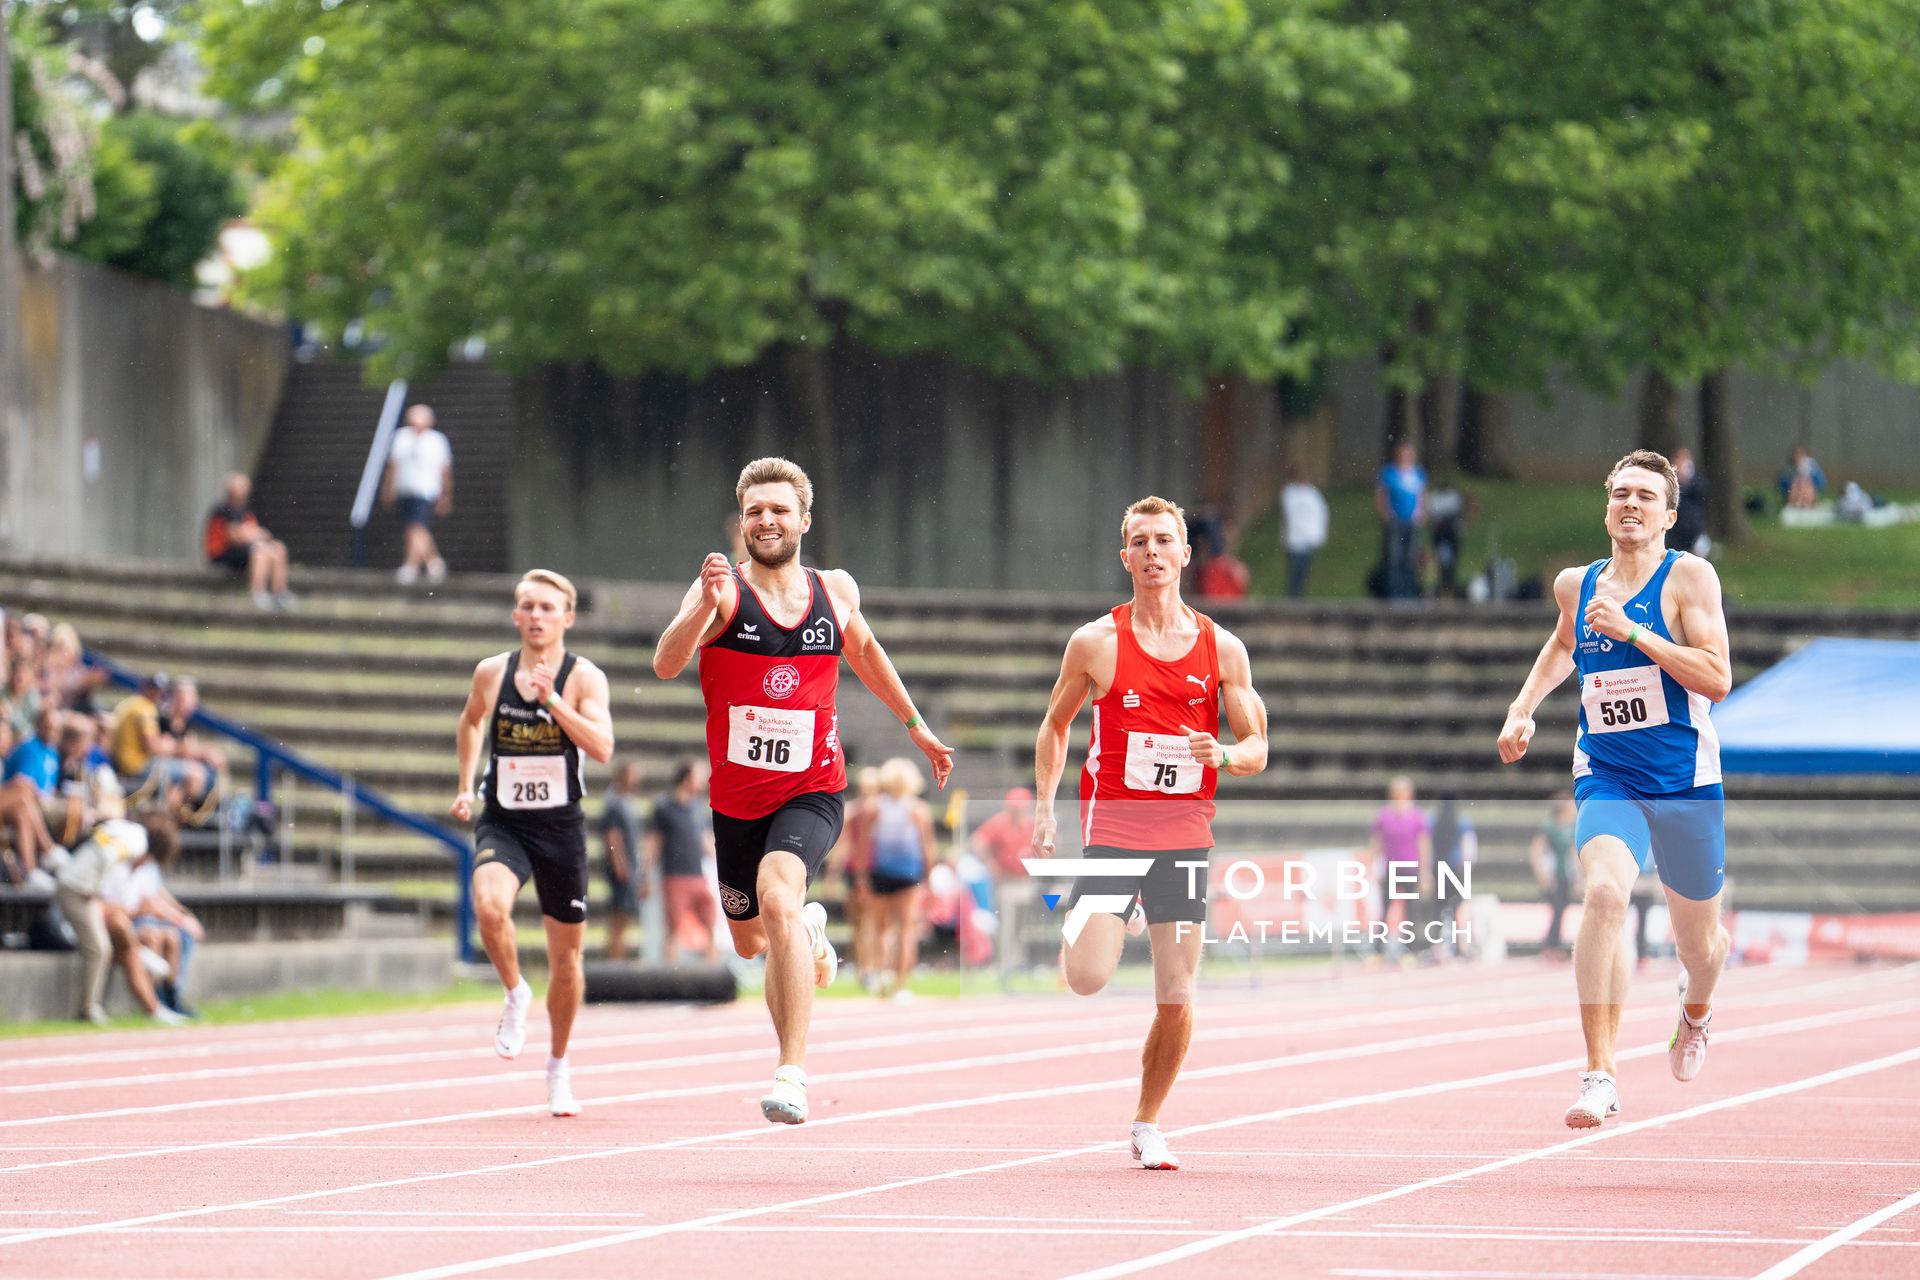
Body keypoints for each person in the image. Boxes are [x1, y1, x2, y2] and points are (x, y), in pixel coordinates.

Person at [651, 456, 954, 1125]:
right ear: (741, 523)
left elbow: (868, 655)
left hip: (813, 790)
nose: (768, 521)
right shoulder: (722, 590)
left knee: (779, 895)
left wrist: (918, 729)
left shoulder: (835, 591)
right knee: (754, 941)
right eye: (756, 511)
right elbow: (667, 663)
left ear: (803, 520)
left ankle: (792, 1073)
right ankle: (812, 941)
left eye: (780, 510)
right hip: (737, 802)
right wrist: (700, 605)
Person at [1032, 495, 1270, 1171]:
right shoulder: (1096, 644)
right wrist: (1047, 808)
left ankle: (1148, 1120)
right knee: (1085, 977)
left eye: (1165, 540)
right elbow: (1055, 726)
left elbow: (1257, 747)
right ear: (1125, 557)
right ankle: (1109, 905)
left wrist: (1221, 755)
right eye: (1140, 542)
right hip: (1115, 823)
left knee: (1177, 993)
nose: (1153, 552)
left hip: (1185, 831)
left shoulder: (1223, 649)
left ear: (1187, 554)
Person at [1498, 449, 1732, 1129]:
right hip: (1608, 772)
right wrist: (1524, 706)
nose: (1631, 505)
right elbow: (1564, 644)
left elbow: (1716, 678)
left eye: (1645, 496)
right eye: (1620, 493)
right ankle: (1600, 1072)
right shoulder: (1578, 583)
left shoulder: (1688, 578)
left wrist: (1634, 632)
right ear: (1607, 506)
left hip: (1685, 781)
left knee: (1702, 948)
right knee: (1602, 893)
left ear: (1668, 514)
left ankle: (1695, 1010)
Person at [452, 570, 615, 1117]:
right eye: (528, 606)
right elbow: (471, 723)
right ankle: (516, 990)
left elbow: (603, 746)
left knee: (567, 962)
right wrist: (463, 786)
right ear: (517, 616)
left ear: (566, 618)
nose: (537, 615)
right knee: (489, 904)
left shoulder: (584, 678)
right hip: (505, 821)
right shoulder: (491, 673)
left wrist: (554, 702)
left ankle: (558, 1066)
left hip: (561, 828)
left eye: (548, 607)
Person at [52, 811, 188, 1026]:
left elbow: (101, 833)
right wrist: (96, 887)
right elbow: (109, 855)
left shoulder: (130, 832)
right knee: (100, 948)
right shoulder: (138, 843)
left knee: (111, 945)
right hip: (78, 890)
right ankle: (89, 1008)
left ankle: (151, 1002)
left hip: (77, 886)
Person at [866, 756, 938, 1000]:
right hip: (908, 873)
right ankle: (900, 985)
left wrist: (861, 875)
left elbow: (865, 845)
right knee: (906, 931)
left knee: (880, 929)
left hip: (881, 872)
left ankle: (881, 975)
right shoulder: (918, 809)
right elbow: (928, 846)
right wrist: (930, 877)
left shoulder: (874, 807)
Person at [648, 760, 721, 965]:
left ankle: (712, 971)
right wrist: (647, 873)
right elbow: (654, 842)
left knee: (709, 921)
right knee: (673, 927)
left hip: (697, 874)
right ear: (687, 778)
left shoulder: (699, 808)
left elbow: (706, 840)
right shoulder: (665, 807)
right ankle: (671, 974)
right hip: (674, 875)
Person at [384, 404, 454, 584]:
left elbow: (445, 470)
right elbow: (393, 466)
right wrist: (389, 488)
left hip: (425, 490)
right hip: (404, 488)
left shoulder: (437, 441)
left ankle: (412, 566)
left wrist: (445, 494)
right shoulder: (400, 437)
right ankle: (433, 561)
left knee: (416, 527)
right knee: (412, 528)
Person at [204, 473, 294, 609]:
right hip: (223, 552)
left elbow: (254, 532)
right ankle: (258, 592)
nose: (243, 489)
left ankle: (279, 592)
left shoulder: (245, 510)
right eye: (240, 486)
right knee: (259, 551)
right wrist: (252, 535)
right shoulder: (222, 509)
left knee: (278, 547)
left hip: (244, 549)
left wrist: (252, 535)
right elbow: (233, 536)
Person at [1367, 776, 1431, 957]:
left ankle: (1410, 951)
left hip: (1410, 869)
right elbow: (1376, 845)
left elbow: (1423, 845)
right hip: (1390, 869)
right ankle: (1377, 951)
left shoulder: (1417, 816)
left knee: (1410, 912)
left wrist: (1424, 872)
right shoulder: (1384, 816)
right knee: (1384, 910)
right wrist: (1373, 867)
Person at [597, 760, 645, 962]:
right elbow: (613, 837)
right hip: (621, 870)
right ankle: (614, 961)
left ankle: (618, 959)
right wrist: (621, 867)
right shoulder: (614, 802)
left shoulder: (626, 800)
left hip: (630, 867)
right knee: (619, 918)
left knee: (624, 918)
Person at [1376, 439, 1428, 600]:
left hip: (1412, 520)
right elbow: (1381, 494)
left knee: (1410, 557)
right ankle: (1394, 592)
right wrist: (1385, 513)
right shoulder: (1389, 473)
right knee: (1394, 556)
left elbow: (1423, 495)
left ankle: (1409, 592)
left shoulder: (1418, 473)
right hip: (1395, 520)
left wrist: (1423, 512)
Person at [1529, 791, 1579, 952]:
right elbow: (1536, 852)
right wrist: (1543, 876)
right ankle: (1551, 944)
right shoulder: (1549, 827)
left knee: (1562, 909)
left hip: (1566, 875)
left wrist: (1578, 876)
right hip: (1553, 875)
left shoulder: (1572, 828)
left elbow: (1573, 854)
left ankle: (1554, 943)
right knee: (1557, 909)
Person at [1279, 468, 1329, 599]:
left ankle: (1299, 597)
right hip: (1295, 538)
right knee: (1295, 571)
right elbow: (1288, 516)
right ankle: (1292, 598)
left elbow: (1320, 514)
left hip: (1308, 538)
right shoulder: (1290, 493)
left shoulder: (1312, 494)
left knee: (1304, 571)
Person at [1669, 448, 1710, 558]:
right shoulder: (1671, 481)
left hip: (1694, 527)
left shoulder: (1697, 478)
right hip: (1676, 529)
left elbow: (1701, 491)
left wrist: (1686, 480)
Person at [1778, 445, 1826, 510]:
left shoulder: (1811, 467)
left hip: (1810, 491)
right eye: (1796, 455)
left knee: (1805, 484)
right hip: (1793, 492)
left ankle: (1806, 504)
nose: (1798, 457)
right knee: (1796, 484)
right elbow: (1782, 484)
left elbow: (1820, 482)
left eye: (1800, 455)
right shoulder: (1788, 469)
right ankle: (1797, 504)